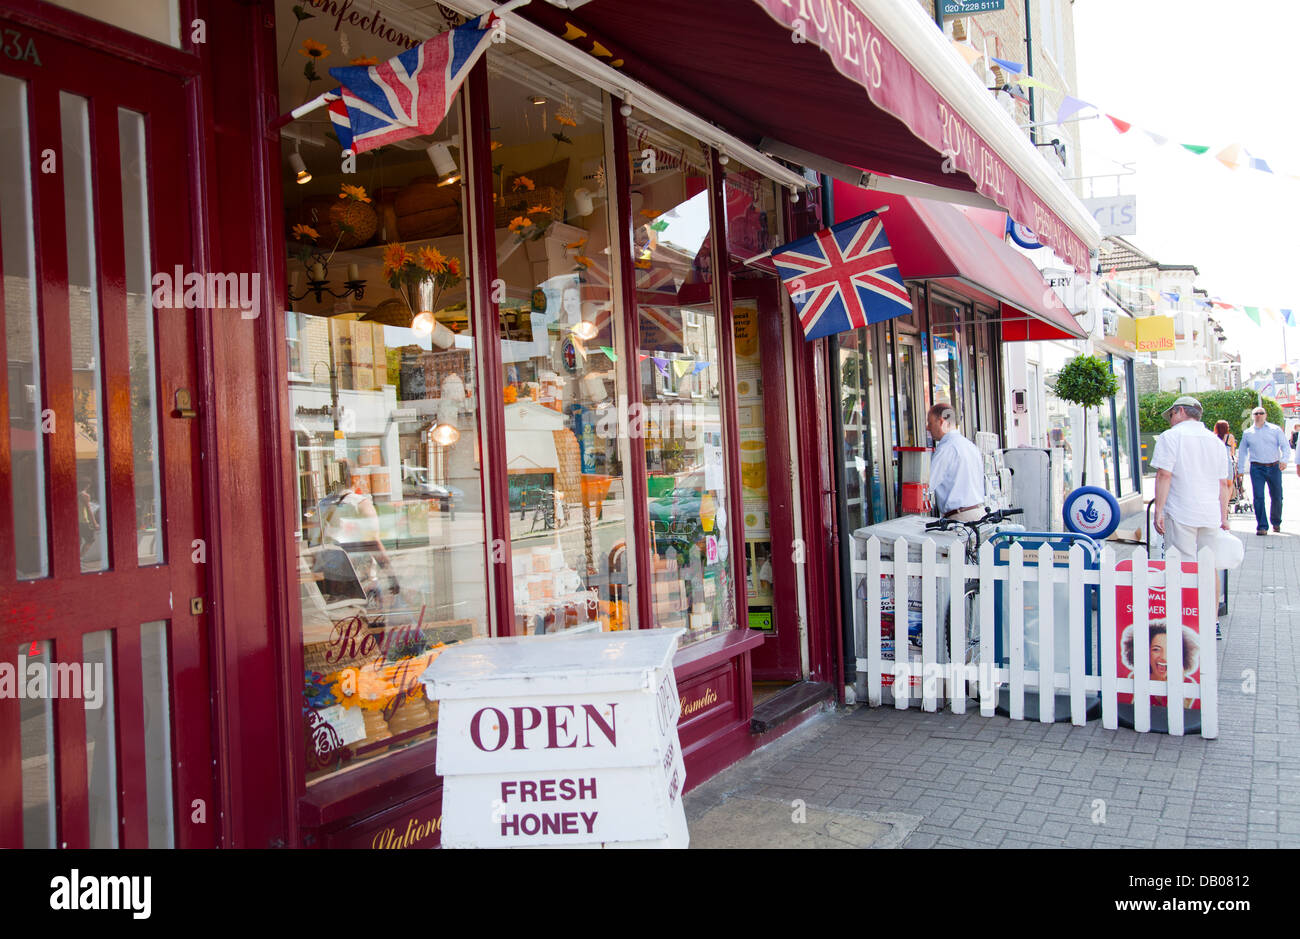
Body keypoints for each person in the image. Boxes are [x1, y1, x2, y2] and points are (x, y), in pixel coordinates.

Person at [1151, 396, 1231, 558]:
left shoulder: (1170, 436)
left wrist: (1158, 511)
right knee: (1209, 566)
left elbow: (1164, 475)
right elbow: (1223, 484)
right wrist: (1223, 517)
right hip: (1210, 513)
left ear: (1180, 411)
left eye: (1171, 415)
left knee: (1181, 567)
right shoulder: (1216, 442)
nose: (1170, 421)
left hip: (1180, 512)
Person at [926, 401, 985, 522]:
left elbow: (927, 484)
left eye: (930, 423)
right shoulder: (970, 446)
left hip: (960, 517)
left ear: (941, 422)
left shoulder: (946, 448)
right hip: (979, 512)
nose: (928, 428)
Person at [1235, 405, 1290, 535]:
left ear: (1265, 415)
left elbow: (1285, 446)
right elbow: (1242, 452)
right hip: (1257, 467)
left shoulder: (1275, 430)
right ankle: (1262, 526)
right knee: (1258, 497)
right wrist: (1241, 469)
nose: (1259, 415)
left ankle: (1276, 522)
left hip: (1274, 466)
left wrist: (1284, 460)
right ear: (1253, 416)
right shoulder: (1248, 433)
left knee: (1277, 496)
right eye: (1256, 413)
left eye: (1261, 413)